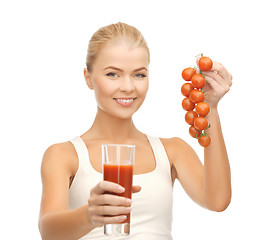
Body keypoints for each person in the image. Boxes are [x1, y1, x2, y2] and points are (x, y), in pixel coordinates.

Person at [38, 22, 232, 240]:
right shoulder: (64, 155)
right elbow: (48, 231)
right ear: (88, 78)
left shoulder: (171, 151)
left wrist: (210, 107)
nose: (128, 87)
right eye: (113, 74)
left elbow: (217, 201)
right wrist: (89, 215)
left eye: (139, 75)